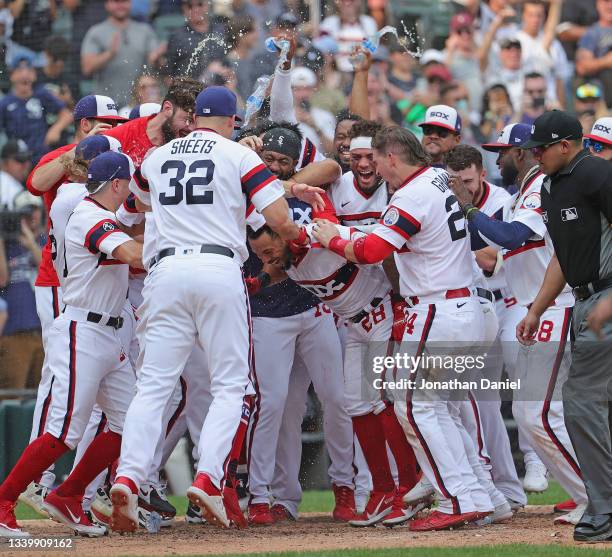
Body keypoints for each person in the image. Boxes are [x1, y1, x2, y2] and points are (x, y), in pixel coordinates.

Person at [110, 86, 306, 532]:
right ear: (233, 120)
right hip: (217, 266)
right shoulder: (238, 154)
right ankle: (210, 477)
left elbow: (136, 202)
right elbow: (277, 219)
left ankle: (129, 474)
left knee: (154, 384)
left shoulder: (159, 156)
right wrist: (298, 232)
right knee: (231, 383)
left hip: (164, 271)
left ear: (194, 116)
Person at [313, 126, 494, 531]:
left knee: (416, 406)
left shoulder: (411, 193)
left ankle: (456, 499)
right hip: (459, 303)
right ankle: (479, 494)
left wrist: (330, 238)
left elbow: (372, 251)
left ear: (391, 157)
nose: (375, 170)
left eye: (377, 161)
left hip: (437, 307)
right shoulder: (437, 176)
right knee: (438, 408)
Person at [450, 113, 588, 526]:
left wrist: (470, 210)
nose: (499, 161)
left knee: (536, 416)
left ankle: (597, 498)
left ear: (525, 153)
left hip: (552, 307)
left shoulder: (536, 192)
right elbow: (504, 252)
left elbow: (512, 237)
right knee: (544, 415)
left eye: (504, 153)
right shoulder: (519, 194)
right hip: (534, 307)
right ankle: (592, 497)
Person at [0, 151, 143, 539]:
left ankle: (70, 494)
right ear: (116, 184)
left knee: (134, 424)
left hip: (107, 332)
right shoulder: (88, 215)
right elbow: (131, 254)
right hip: (83, 330)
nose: (130, 188)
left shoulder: (98, 213)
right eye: (127, 182)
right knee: (63, 432)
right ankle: (3, 502)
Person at [517, 110, 612, 542]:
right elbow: (562, 256)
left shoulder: (596, 173)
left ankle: (605, 509)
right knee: (591, 406)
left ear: (565, 145)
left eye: (541, 147)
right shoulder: (553, 185)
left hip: (605, 299)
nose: (535, 154)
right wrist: (537, 308)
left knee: (580, 403)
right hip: (583, 299)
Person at [0, 190, 44, 390]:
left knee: (42, 397)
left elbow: (47, 268)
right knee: (13, 395)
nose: (30, 216)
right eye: (25, 212)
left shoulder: (45, 242)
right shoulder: (7, 245)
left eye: (34, 210)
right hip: (15, 333)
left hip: (44, 334)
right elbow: (2, 279)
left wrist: (29, 241)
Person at [81, 0, 163, 107]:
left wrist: (157, 59)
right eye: (116, 1)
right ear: (107, 4)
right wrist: (109, 54)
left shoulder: (145, 30)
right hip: (108, 105)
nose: (120, 5)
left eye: (124, 1)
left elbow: (160, 64)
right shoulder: (96, 32)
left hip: (139, 105)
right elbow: (86, 68)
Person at [0, 58, 73, 163]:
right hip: (18, 160)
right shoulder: (5, 103)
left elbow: (67, 114)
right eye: (19, 71)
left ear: (34, 75)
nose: (25, 75)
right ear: (12, 75)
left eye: (29, 70)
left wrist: (56, 129)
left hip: (42, 156)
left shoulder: (41, 95)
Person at [164, 0, 226, 78]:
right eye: (190, 6)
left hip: (219, 87)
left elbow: (232, 60)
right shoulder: (176, 36)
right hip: (188, 88)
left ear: (207, 5)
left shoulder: (221, 30)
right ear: (184, 9)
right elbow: (168, 74)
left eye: (200, 4)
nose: (195, 9)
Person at [319, 0, 378, 74]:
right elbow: (322, 52)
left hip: (363, 71)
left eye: (351, 1)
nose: (347, 4)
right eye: (343, 1)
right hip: (337, 71)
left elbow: (373, 51)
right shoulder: (328, 23)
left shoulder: (369, 22)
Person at [576, 0, 612, 108]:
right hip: (604, 97)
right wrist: (606, 61)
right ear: (598, 4)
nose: (610, 5)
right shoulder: (592, 33)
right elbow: (582, 67)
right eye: (606, 1)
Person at [0, 140, 31, 209]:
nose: (26, 164)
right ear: (4, 163)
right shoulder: (5, 184)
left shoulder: (14, 184)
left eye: (27, 158)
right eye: (20, 159)